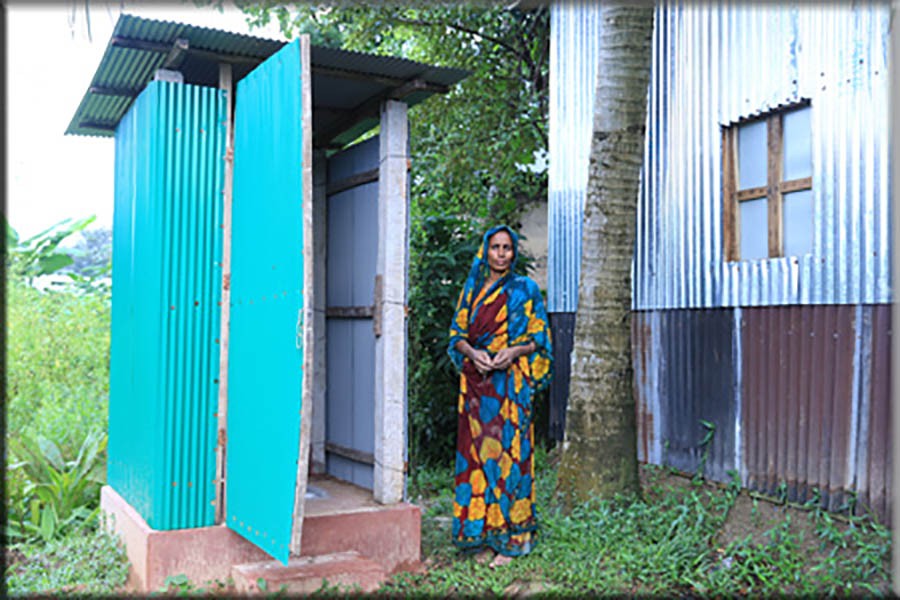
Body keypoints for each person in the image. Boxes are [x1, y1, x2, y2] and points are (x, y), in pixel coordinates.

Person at [447, 225, 553, 567]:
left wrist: (515, 351)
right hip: (477, 388)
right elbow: (456, 336)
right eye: (496, 247)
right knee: (478, 460)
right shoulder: (472, 289)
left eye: (507, 248)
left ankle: (512, 538)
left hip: (511, 389)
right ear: (486, 250)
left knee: (511, 457)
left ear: (514, 252)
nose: (502, 254)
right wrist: (473, 353)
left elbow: (540, 338)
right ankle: (482, 536)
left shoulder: (526, 289)